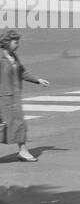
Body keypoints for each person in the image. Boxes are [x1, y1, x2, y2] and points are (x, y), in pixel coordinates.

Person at [1, 29, 50, 162]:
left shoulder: (13, 56)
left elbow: (22, 72)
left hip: (14, 98)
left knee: (19, 124)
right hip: (3, 99)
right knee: (3, 127)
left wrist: (37, 80)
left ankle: (23, 151)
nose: (17, 45)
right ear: (6, 42)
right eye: (15, 42)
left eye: (18, 42)